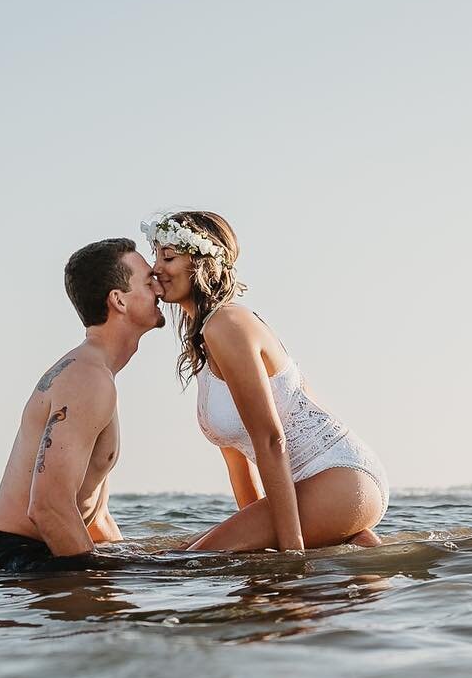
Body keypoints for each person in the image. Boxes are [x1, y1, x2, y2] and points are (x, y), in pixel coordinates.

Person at [144, 210, 388, 552]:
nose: (156, 267)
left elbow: (270, 439)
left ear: (202, 263)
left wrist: (289, 557)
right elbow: (237, 460)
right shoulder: (204, 339)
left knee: (186, 562)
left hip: (339, 477)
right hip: (307, 489)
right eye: (155, 256)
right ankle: (359, 555)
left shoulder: (226, 324)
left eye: (168, 257)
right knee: (175, 552)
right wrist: (256, 549)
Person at [0, 237, 165, 571]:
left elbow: (94, 513)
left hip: (29, 554)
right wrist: (98, 581)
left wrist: (137, 561)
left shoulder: (96, 372)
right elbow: (47, 506)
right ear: (119, 301)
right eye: (147, 282)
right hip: (9, 564)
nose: (159, 288)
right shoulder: (87, 378)